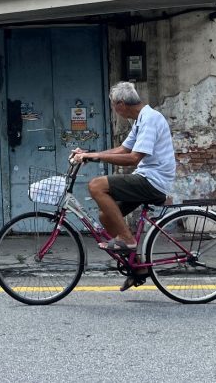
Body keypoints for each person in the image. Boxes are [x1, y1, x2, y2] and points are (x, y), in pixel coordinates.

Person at [72, 81, 175, 291]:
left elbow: (133, 158)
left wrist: (95, 157)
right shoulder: (139, 120)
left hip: (153, 181)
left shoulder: (150, 119)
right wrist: (90, 155)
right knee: (105, 216)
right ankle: (137, 267)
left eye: (113, 105)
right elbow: (123, 148)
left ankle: (127, 239)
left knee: (96, 185)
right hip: (146, 177)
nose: (114, 109)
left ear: (120, 104)